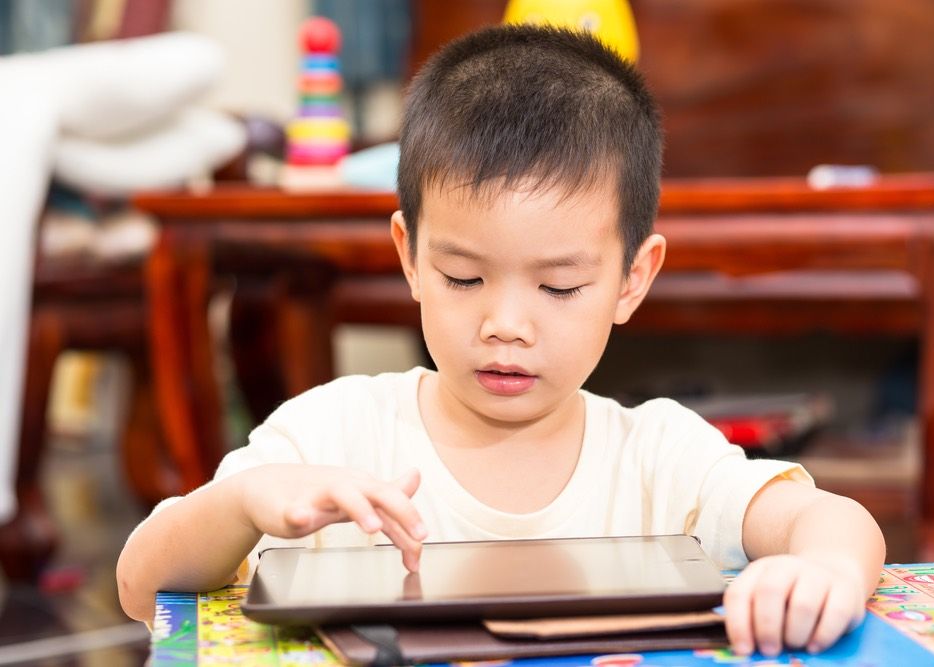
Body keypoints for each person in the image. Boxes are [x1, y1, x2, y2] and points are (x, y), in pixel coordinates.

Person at [117, 24, 885, 657]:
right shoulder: (332, 434)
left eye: (558, 287)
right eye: (461, 276)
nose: (506, 324)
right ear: (409, 256)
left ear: (632, 278)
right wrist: (243, 503)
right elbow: (140, 585)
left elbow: (831, 520)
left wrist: (824, 569)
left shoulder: (658, 454)